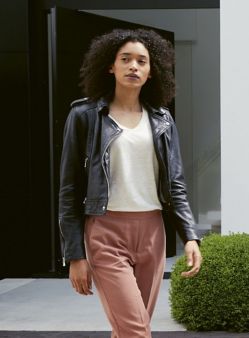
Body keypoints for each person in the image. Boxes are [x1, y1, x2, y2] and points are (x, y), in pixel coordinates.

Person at [58, 28, 202, 338]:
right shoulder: (84, 115)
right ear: (110, 66)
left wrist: (190, 236)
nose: (133, 66)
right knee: (136, 330)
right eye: (125, 59)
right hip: (105, 232)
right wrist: (74, 255)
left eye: (142, 61)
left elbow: (175, 184)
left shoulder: (162, 120)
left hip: (152, 232)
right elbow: (69, 191)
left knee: (129, 329)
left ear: (152, 72)